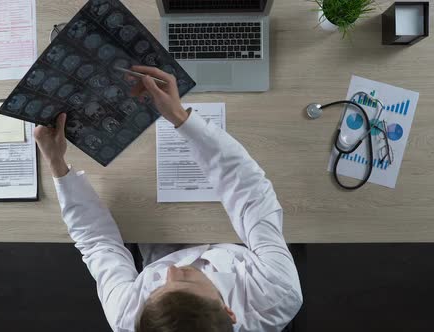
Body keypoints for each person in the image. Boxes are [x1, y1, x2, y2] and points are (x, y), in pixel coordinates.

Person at [34, 65, 303, 332]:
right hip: (234, 245)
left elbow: (98, 244)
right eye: (186, 279)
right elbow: (251, 192)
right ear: (229, 312)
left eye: (158, 288)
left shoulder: (128, 316)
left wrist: (57, 163)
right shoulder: (276, 291)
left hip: (157, 237)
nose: (173, 270)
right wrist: (180, 117)